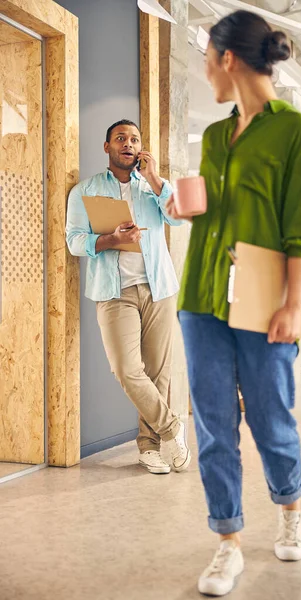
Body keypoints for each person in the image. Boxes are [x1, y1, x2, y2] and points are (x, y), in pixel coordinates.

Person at [167, 10, 301, 597]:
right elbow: (222, 210)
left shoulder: (296, 132)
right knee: (212, 424)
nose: (205, 70)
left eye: (206, 59)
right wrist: (189, 210)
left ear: (228, 59)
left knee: (271, 417)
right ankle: (227, 541)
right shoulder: (213, 136)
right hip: (201, 296)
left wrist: (293, 305)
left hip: (264, 299)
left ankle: (289, 506)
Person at [66, 119, 191, 475]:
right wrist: (109, 240)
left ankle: (150, 447)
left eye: (134, 139)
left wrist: (155, 179)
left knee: (158, 373)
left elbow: (181, 217)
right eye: (120, 138)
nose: (128, 144)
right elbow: (74, 239)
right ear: (107, 147)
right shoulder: (85, 191)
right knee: (126, 369)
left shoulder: (153, 189)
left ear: (140, 149)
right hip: (113, 292)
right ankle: (173, 428)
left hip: (159, 290)